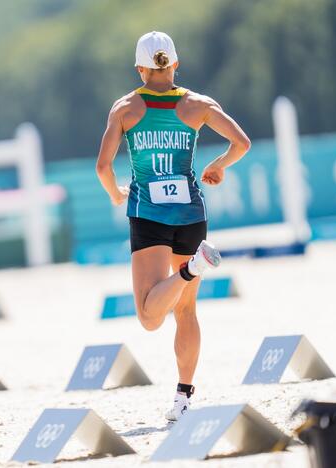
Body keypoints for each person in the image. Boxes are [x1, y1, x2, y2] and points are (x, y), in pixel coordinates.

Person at [95, 31, 251, 421]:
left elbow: (102, 166)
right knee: (186, 311)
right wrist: (217, 167)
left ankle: (189, 269)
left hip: (148, 213)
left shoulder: (126, 108)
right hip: (190, 214)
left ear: (140, 68)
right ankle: (183, 397)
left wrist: (116, 194)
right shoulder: (198, 104)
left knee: (149, 318)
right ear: (176, 64)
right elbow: (242, 143)